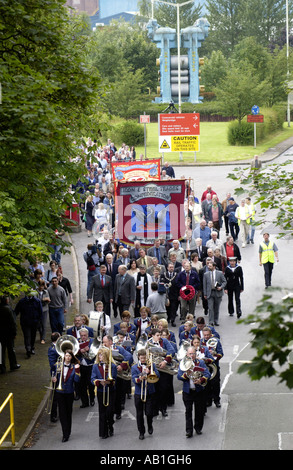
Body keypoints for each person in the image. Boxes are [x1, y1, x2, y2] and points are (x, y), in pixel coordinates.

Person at [177, 346, 210, 437]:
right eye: (190, 354)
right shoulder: (183, 363)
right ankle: (189, 431)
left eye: (193, 353)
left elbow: (207, 374)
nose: (192, 355)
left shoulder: (201, 362)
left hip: (199, 391)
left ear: (196, 354)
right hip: (188, 391)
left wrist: (201, 380)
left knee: (199, 411)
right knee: (188, 411)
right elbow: (179, 376)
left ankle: (198, 428)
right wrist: (186, 374)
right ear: (187, 354)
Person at [52, 349, 81, 442]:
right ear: (63, 356)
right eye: (66, 356)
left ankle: (68, 431)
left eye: (69, 356)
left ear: (71, 357)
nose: (67, 358)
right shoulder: (58, 365)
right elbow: (53, 374)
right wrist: (54, 379)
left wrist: (77, 369)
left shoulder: (74, 367)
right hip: (60, 392)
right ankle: (65, 433)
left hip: (69, 392)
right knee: (62, 413)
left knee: (68, 413)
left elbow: (77, 380)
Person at [131, 348, 160, 440]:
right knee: (139, 414)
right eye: (141, 358)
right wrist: (144, 374)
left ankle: (150, 425)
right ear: (139, 358)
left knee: (149, 412)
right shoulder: (134, 367)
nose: (143, 360)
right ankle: (141, 432)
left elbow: (158, 376)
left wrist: (152, 371)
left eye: (144, 358)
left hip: (149, 392)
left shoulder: (151, 365)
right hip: (139, 393)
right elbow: (135, 380)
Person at [91, 347, 117, 439]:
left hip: (110, 391)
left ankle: (110, 425)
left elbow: (114, 379)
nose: (100, 356)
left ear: (106, 355)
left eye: (101, 355)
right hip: (101, 391)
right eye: (99, 355)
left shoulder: (112, 366)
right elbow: (92, 378)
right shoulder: (95, 366)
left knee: (109, 411)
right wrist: (98, 382)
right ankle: (103, 432)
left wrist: (109, 382)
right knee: (102, 412)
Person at [14, 291, 43, 358]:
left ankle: (32, 347)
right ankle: (28, 349)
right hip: (25, 322)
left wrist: (39, 322)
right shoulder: (22, 301)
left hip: (34, 322)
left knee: (33, 336)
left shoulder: (37, 301)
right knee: (27, 336)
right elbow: (16, 311)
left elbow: (40, 312)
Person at [200, 327, 223, 408]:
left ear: (211, 334)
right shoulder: (200, 342)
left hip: (214, 366)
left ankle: (217, 400)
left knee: (215, 383)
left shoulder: (216, 341)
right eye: (205, 335)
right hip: (205, 367)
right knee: (207, 384)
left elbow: (221, 353)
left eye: (208, 335)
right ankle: (208, 400)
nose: (206, 337)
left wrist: (214, 355)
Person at [0, 296, 20, 373]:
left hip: (1, 333)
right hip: (8, 333)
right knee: (11, 349)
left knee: (1, 351)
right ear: (6, 300)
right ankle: (13, 364)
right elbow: (12, 322)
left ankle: (2, 367)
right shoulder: (8, 309)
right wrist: (14, 333)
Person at [203, 261, 227, 326]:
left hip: (217, 292)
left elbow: (224, 281)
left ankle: (216, 320)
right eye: (208, 266)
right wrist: (205, 294)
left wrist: (221, 287)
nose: (209, 267)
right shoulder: (206, 274)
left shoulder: (219, 273)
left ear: (214, 266)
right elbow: (204, 285)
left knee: (216, 308)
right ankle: (211, 321)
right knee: (210, 308)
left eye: (210, 266)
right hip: (210, 293)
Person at [76, 328, 96, 408]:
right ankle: (85, 402)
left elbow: (96, 352)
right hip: (81, 366)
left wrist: (89, 350)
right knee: (82, 385)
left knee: (91, 384)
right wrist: (80, 351)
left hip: (90, 365)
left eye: (84, 335)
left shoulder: (92, 341)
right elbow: (73, 351)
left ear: (87, 335)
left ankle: (92, 399)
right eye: (81, 336)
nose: (83, 337)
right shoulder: (76, 341)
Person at [36, 280, 51, 344]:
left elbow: (48, 300)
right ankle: (41, 335)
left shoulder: (46, 292)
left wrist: (46, 300)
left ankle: (43, 338)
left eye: (42, 286)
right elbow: (36, 301)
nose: (41, 287)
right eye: (40, 285)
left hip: (45, 309)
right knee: (39, 325)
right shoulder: (36, 292)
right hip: (38, 310)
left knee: (44, 324)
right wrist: (43, 299)